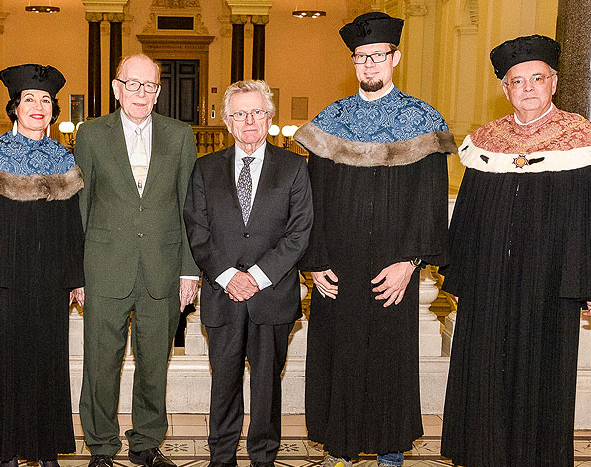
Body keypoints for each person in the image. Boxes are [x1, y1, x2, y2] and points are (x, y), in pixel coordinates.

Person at [439, 34, 591, 467]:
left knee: (543, 376)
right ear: (505, 89)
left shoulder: (581, 138)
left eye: (536, 78)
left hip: (550, 285)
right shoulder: (487, 142)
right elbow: (465, 218)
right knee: (484, 372)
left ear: (553, 82)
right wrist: (460, 278)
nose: (527, 88)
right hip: (487, 284)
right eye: (516, 80)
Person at [293, 12, 457, 467]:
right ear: (354, 61)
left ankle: (389, 449)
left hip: (393, 263)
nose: (368, 66)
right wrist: (314, 261)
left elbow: (430, 201)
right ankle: (339, 445)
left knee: (389, 357)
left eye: (377, 57)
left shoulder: (422, 119)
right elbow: (312, 199)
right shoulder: (332, 120)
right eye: (360, 58)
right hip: (337, 264)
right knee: (339, 353)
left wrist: (411, 262)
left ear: (394, 58)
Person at [74, 53, 199, 467]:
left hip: (162, 271)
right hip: (104, 269)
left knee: (153, 364)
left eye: (150, 86)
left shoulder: (180, 135)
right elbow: (81, 207)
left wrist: (189, 270)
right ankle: (102, 446)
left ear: (159, 91)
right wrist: (77, 274)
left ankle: (146, 442)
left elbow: (189, 208)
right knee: (100, 364)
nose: (141, 94)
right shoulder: (91, 135)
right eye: (133, 84)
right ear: (116, 87)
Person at [183, 80, 313, 467]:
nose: (249, 121)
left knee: (266, 384)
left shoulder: (293, 168)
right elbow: (196, 229)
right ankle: (221, 456)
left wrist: (256, 275)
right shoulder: (204, 169)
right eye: (240, 113)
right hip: (222, 295)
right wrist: (227, 275)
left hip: (272, 296)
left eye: (257, 112)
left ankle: (263, 457)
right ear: (227, 122)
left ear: (270, 118)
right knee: (223, 383)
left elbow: (299, 231)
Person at [0, 64, 85, 467]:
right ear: (14, 107)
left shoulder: (63, 157)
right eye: (29, 100)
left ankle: (45, 448)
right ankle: (7, 451)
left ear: (54, 110)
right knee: (6, 363)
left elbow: (74, 224)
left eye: (45, 101)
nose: (38, 106)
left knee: (49, 361)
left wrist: (76, 278)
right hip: (5, 278)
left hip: (52, 279)